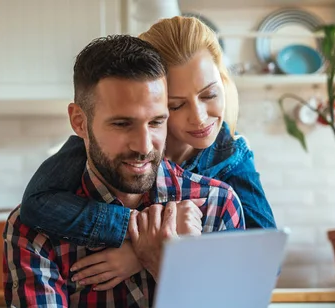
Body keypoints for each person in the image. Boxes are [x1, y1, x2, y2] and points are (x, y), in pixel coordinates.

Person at [3, 34, 263, 308]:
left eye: (156, 122)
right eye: (122, 124)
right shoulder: (34, 228)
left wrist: (173, 270)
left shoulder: (217, 203)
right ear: (79, 122)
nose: (144, 146)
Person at [19, 17, 276, 290]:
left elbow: (266, 259)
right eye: (176, 106)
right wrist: (138, 226)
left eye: (209, 95)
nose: (200, 118)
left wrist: (141, 254)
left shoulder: (231, 157)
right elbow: (36, 205)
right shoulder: (108, 151)